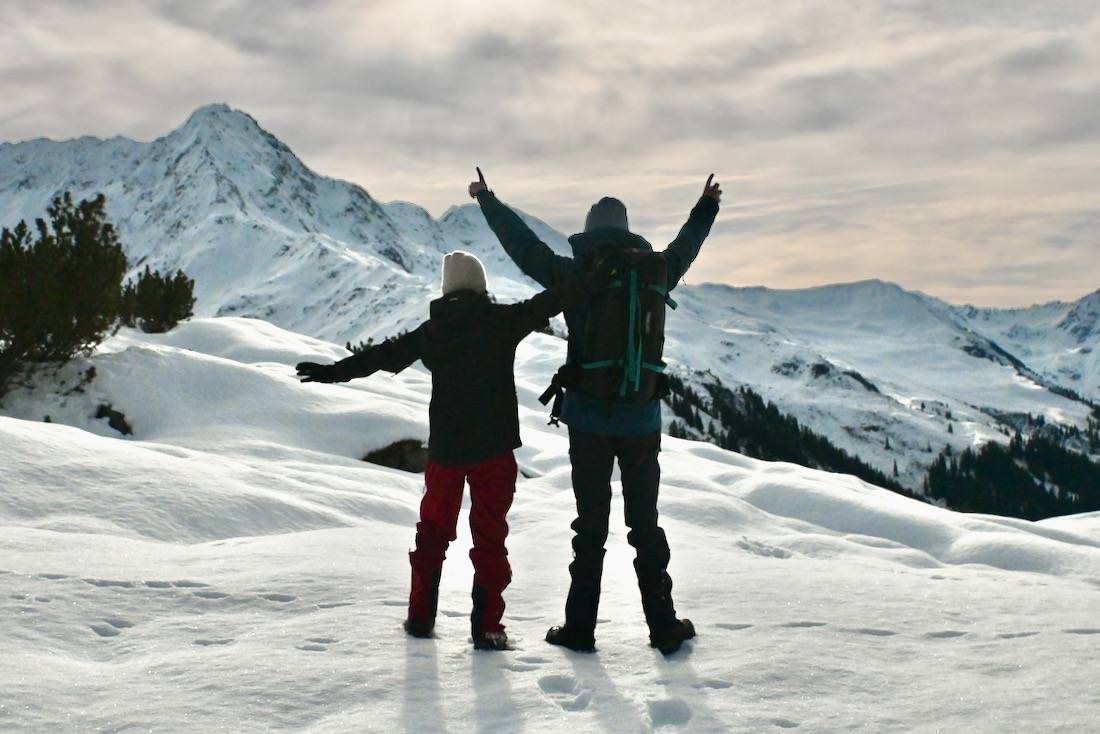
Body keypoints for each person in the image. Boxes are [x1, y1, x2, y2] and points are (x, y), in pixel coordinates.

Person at [469, 168, 722, 655]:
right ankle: (664, 627)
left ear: (589, 233)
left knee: (590, 529)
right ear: (627, 232)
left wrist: (487, 200)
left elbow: (525, 249)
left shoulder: (575, 273)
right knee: (644, 526)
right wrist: (707, 204)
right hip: (642, 420)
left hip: (587, 421)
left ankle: (580, 629)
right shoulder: (656, 270)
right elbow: (687, 245)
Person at [296, 250, 599, 651]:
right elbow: (551, 301)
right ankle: (487, 629)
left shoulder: (432, 332)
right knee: (490, 538)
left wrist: (333, 372)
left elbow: (383, 355)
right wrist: (595, 278)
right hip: (494, 450)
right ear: (480, 286)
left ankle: (420, 618)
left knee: (432, 536)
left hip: (446, 451)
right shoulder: (502, 320)